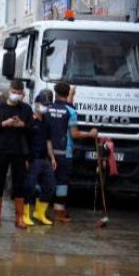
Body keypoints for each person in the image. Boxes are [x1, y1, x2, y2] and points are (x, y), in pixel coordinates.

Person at [48, 82, 97, 222]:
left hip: (49, 152)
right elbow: (74, 134)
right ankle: (59, 215)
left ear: (55, 92)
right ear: (67, 93)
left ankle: (40, 212)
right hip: (65, 154)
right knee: (62, 184)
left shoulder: (48, 109)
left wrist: (71, 95)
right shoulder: (71, 112)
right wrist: (90, 134)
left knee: (45, 181)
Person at [0, 80, 33, 229]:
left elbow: (33, 131)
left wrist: (23, 125)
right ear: (9, 90)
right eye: (14, 92)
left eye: (20, 93)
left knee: (19, 183)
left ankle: (19, 218)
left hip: (19, 151)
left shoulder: (26, 109)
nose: (16, 95)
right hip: (1, 150)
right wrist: (4, 124)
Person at [23, 90, 56, 226]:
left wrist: (52, 158)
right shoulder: (30, 120)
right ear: (36, 104)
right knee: (29, 187)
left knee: (50, 186)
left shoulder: (47, 120)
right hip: (32, 159)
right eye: (43, 104)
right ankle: (25, 214)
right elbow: (24, 140)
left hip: (44, 159)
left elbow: (48, 140)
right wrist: (25, 158)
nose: (45, 107)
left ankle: (39, 213)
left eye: (47, 105)